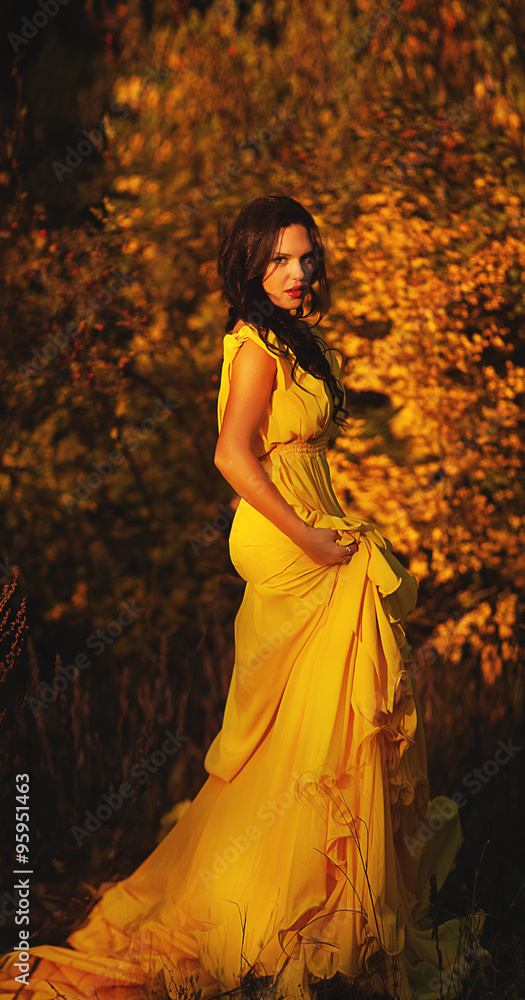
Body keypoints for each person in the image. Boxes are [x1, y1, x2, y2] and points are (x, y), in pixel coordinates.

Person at [0, 195, 489, 1000]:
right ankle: (286, 911)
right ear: (251, 267)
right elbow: (231, 456)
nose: (298, 273)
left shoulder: (294, 337)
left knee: (310, 733)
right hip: (289, 540)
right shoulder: (255, 342)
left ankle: (326, 911)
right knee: (311, 728)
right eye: (279, 261)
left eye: (305, 257)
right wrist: (312, 539)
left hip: (313, 528)